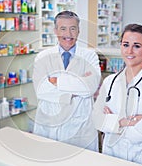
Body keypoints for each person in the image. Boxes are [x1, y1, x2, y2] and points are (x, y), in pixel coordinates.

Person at [92, 24, 142, 166]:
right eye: (126, 44)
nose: (129, 51)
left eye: (137, 46)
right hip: (112, 151)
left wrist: (113, 123)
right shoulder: (110, 81)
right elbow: (97, 120)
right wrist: (127, 121)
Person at [32, 11, 101, 151]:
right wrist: (75, 89)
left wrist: (56, 82)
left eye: (73, 28)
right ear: (55, 30)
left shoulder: (90, 56)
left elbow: (90, 87)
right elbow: (41, 91)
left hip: (81, 128)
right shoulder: (42, 57)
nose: (68, 34)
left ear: (78, 31)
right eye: (63, 28)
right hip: (49, 125)